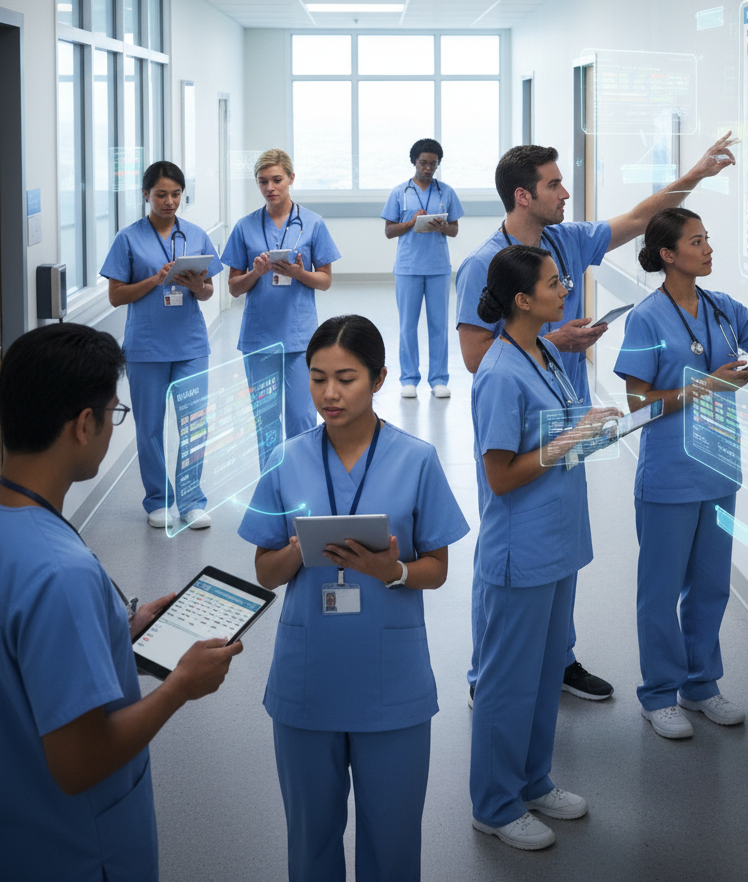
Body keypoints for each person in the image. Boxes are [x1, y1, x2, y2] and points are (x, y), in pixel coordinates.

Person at [455, 136, 737, 702]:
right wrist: (553, 341)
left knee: (560, 546)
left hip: (569, 416)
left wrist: (696, 176)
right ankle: (488, 673)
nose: (565, 193)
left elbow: (639, 217)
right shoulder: (485, 264)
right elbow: (473, 357)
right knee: (509, 551)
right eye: (554, 184)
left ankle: (557, 659)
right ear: (522, 195)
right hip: (519, 421)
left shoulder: (564, 240)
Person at [0, 323, 242, 881]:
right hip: (78, 850)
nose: (114, 426)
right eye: (115, 412)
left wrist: (116, 635)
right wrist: (179, 687)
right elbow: (79, 762)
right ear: (84, 424)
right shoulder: (60, 572)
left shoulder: (21, 533)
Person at [239, 314, 469, 881]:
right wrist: (299, 549)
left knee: (393, 845)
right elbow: (265, 571)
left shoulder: (416, 459)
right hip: (308, 678)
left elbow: (437, 569)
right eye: (318, 379)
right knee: (310, 842)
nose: (330, 394)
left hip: (391, 682)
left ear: (379, 378)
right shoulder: (287, 459)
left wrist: (393, 571)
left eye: (346, 379)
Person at [613, 208, 748, 738]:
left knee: (711, 586)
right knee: (660, 592)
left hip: (719, 470)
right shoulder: (646, 318)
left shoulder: (722, 309)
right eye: (696, 241)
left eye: (707, 238)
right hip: (669, 476)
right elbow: (637, 404)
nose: (708, 248)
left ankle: (700, 686)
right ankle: (659, 695)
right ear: (668, 254)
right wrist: (708, 386)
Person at [470, 245, 619, 851]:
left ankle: (533, 781)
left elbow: (558, 432)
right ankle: (494, 804)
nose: (565, 291)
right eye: (555, 283)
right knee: (508, 682)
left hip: (558, 540)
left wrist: (589, 432)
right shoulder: (499, 373)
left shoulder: (547, 352)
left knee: (542, 676)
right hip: (521, 550)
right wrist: (570, 440)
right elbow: (501, 476)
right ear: (523, 300)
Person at [101, 160, 222, 529]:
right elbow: (116, 296)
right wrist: (154, 281)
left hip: (190, 346)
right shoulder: (128, 239)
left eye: (176, 194)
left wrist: (197, 286)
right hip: (146, 348)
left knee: (194, 424)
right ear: (145, 195)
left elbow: (208, 291)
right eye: (161, 195)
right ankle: (158, 500)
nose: (169, 202)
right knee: (150, 428)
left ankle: (191, 501)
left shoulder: (196, 235)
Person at [222, 148, 341, 468]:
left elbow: (325, 280)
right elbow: (234, 288)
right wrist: (255, 273)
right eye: (263, 182)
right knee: (266, 421)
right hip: (259, 338)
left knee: (302, 417)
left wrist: (300, 274)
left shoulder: (313, 223)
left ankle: (304, 481)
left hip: (300, 337)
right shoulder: (245, 227)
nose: (270, 187)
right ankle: (272, 483)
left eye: (277, 180)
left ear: (291, 178)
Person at [381, 138, 464, 399]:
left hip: (438, 267)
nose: (428, 169)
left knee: (439, 325)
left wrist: (443, 227)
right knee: (408, 326)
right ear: (414, 162)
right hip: (408, 267)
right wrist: (411, 222)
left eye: (433, 164)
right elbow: (389, 231)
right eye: (423, 163)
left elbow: (455, 230)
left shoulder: (446, 192)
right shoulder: (399, 192)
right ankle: (409, 379)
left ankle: (439, 379)